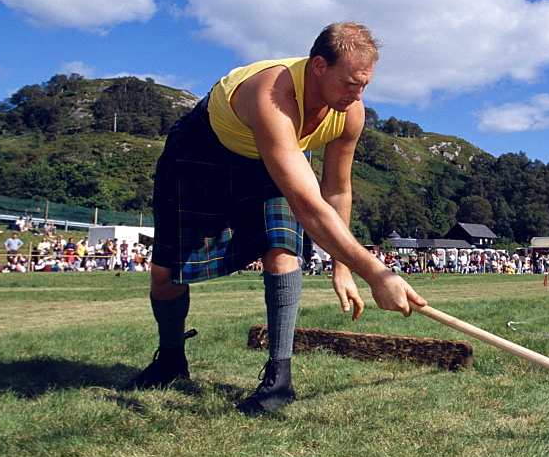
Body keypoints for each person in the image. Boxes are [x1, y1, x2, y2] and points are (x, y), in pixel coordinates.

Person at [126, 22, 427, 413]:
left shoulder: (350, 114)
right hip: (202, 154)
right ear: (318, 66)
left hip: (273, 161)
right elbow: (308, 204)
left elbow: (336, 191)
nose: (358, 95)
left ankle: (279, 379)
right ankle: (170, 359)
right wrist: (379, 274)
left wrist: (344, 268)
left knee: (282, 250)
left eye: (365, 85)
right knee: (166, 273)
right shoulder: (272, 94)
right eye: (351, 83)